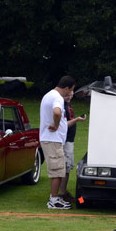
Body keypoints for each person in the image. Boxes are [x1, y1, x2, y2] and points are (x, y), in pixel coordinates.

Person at [40, 76, 76, 209]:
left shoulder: (49, 95)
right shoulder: (57, 98)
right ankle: (53, 200)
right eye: (71, 90)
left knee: (59, 170)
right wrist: (55, 125)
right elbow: (56, 112)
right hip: (52, 140)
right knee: (57, 171)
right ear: (66, 88)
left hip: (52, 140)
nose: (71, 93)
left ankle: (55, 198)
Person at [61, 89, 86, 204]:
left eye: (71, 94)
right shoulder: (61, 106)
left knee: (68, 167)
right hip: (65, 141)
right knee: (65, 167)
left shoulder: (68, 104)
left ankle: (63, 192)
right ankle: (62, 193)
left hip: (70, 141)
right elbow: (64, 125)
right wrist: (77, 120)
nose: (69, 96)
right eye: (67, 95)